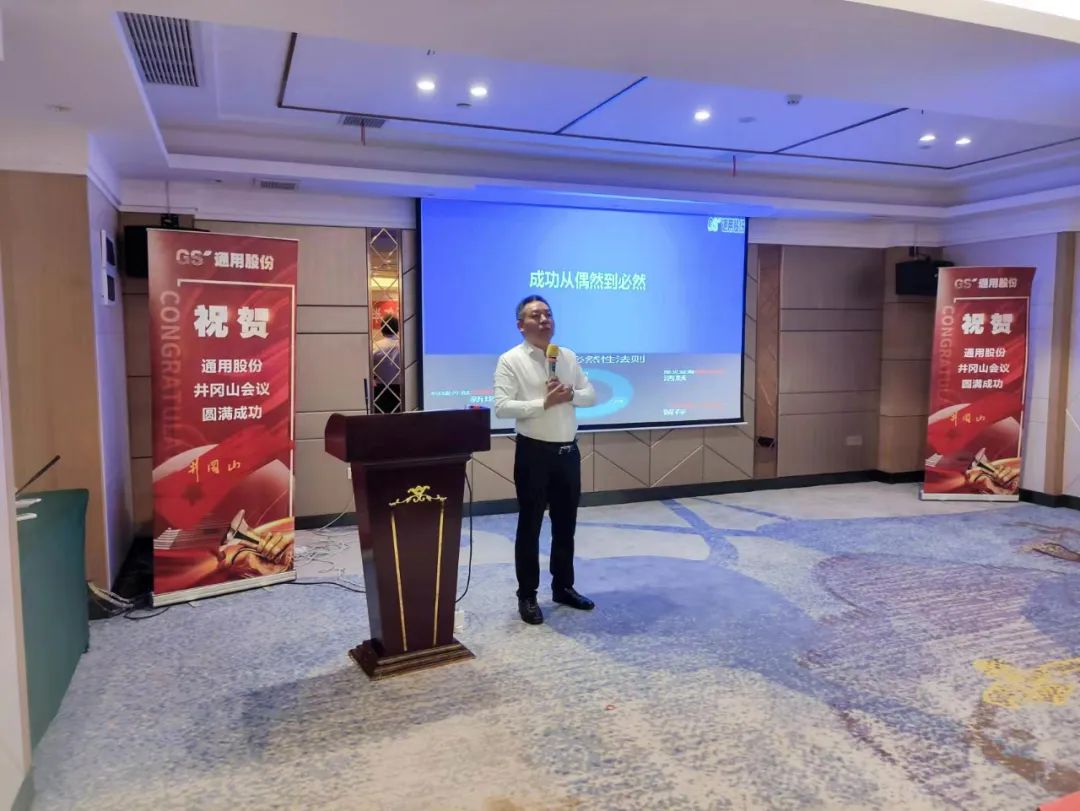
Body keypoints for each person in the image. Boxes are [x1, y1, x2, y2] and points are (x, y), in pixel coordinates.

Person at [494, 295, 597, 625]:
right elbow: (502, 406)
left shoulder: (566, 356)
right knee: (530, 526)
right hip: (534, 453)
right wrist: (544, 403)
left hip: (568, 453)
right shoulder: (510, 360)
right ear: (520, 325)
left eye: (548, 314)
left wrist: (571, 394)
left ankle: (563, 587)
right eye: (535, 315)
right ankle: (527, 595)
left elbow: (590, 395)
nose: (544, 320)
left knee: (565, 526)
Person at [371, 314, 401, 413]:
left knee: (380, 419)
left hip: (380, 391)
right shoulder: (403, 346)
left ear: (382, 329)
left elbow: (368, 368)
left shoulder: (375, 346)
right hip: (400, 390)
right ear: (397, 328)